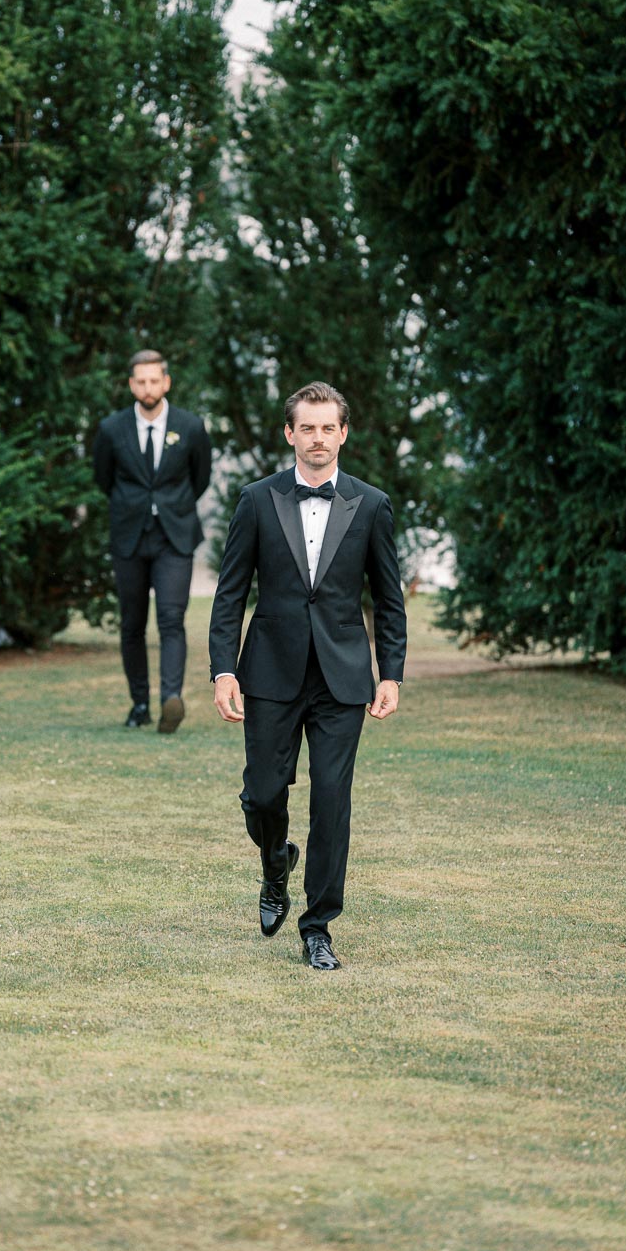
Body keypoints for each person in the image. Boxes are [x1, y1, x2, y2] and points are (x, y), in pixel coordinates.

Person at [209, 381, 407, 970]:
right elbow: (229, 595)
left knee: (332, 800)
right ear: (290, 433)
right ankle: (275, 862)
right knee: (264, 793)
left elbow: (390, 600)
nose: (318, 438)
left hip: (343, 678)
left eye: (329, 428)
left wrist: (390, 672)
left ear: (343, 433)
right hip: (269, 670)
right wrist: (224, 670)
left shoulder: (371, 505)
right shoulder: (256, 500)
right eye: (307, 428)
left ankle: (317, 926)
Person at [93, 349, 212, 733]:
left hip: (174, 537)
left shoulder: (190, 426)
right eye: (140, 381)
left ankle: (169, 702)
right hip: (128, 536)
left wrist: (171, 506)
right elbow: (103, 478)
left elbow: (201, 477)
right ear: (132, 385)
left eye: (154, 380)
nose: (147, 387)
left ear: (166, 382)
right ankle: (140, 703)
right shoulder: (112, 429)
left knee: (171, 619)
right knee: (132, 624)